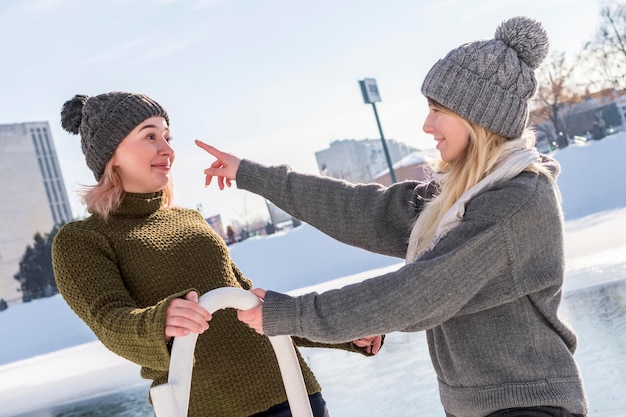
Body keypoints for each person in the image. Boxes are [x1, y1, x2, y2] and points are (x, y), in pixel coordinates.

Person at [197, 16, 588, 417]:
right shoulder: (459, 199)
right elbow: (364, 211)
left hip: (527, 406)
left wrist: (291, 314)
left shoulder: (515, 201)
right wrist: (251, 174)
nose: (427, 124)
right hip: (479, 407)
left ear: (477, 117)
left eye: (438, 110)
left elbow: (419, 292)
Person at [51, 92, 382, 417]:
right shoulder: (81, 241)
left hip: (292, 393)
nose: (167, 149)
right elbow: (111, 322)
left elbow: (251, 305)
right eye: (150, 136)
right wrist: (160, 321)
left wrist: (342, 335)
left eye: (167, 136)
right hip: (203, 407)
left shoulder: (189, 219)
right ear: (113, 154)